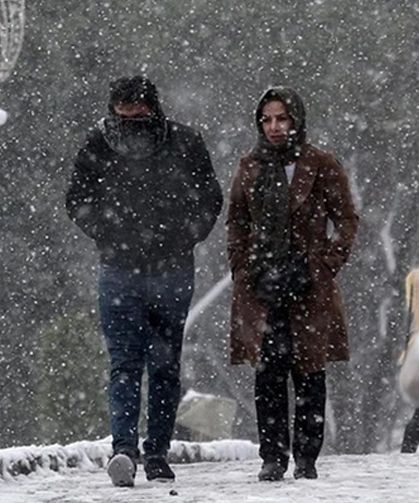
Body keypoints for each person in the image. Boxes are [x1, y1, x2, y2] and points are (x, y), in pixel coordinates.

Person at [66, 75, 223, 486]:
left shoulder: (185, 143)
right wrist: (111, 233)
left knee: (162, 365)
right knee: (127, 363)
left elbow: (209, 198)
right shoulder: (98, 144)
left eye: (139, 112)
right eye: (125, 113)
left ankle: (154, 450)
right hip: (121, 269)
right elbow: (78, 199)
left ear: (152, 108)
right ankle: (126, 449)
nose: (132, 121)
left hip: (168, 270)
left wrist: (182, 235)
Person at [226, 86, 358, 481]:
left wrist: (323, 264)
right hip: (262, 286)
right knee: (268, 373)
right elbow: (237, 222)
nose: (274, 127)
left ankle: (306, 458)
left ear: (296, 119)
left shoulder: (320, 163)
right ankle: (272, 457)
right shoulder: (250, 165)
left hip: (308, 286)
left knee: (309, 372)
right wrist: (244, 268)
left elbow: (347, 220)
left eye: (281, 118)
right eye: (267, 119)